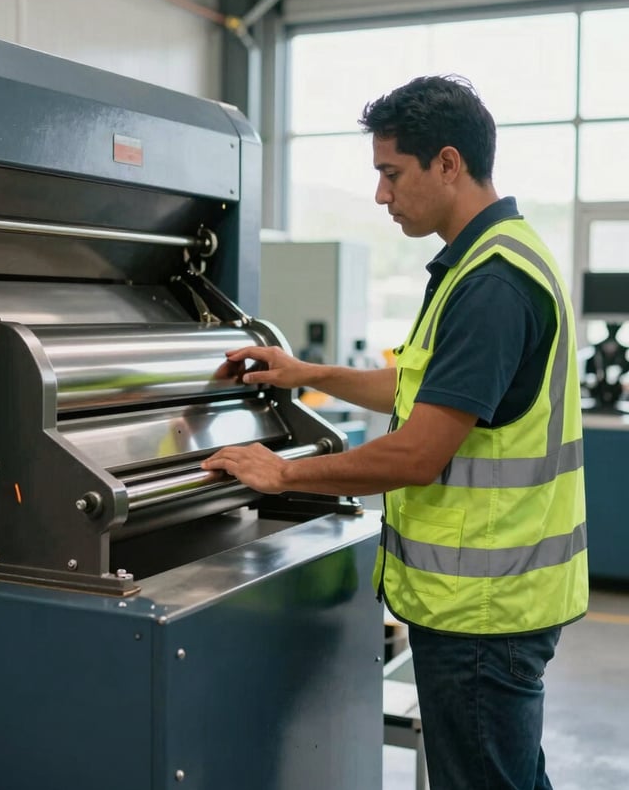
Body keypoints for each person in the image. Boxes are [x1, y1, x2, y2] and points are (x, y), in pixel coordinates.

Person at [201, 75, 588, 790]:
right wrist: (300, 371)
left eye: (390, 173)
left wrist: (281, 473)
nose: (381, 195)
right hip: (498, 601)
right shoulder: (490, 258)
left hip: (482, 610)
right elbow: (419, 390)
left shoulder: (491, 284)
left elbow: (418, 451)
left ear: (447, 163)